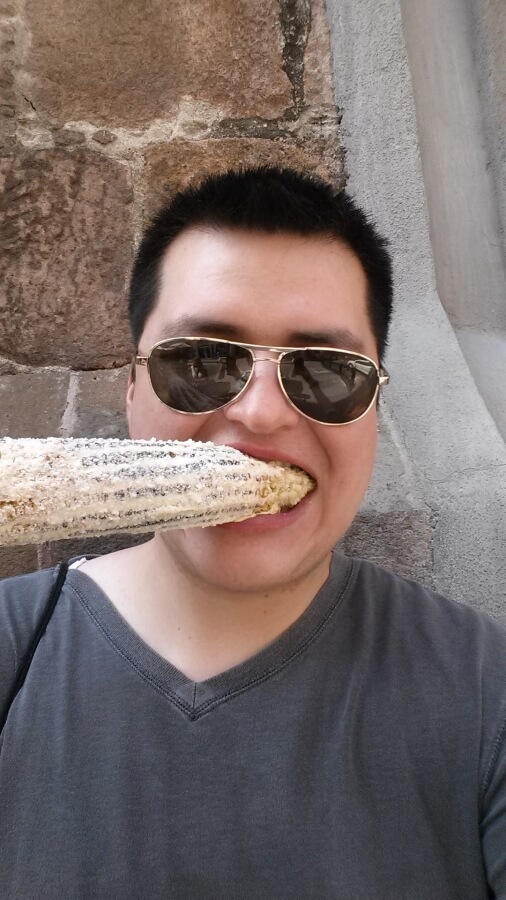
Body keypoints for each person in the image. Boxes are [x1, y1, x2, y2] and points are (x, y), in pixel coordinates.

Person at [0, 167, 504, 900]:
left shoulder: (486, 694)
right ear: (131, 389)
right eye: (202, 362)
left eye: (328, 371)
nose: (263, 416)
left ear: (374, 411)